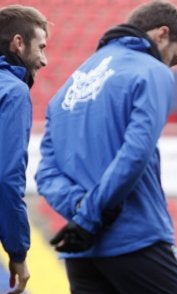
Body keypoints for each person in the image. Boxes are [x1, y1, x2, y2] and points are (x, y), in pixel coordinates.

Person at [34, 1, 177, 293]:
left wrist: (80, 210)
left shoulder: (67, 89)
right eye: (172, 59)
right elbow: (135, 153)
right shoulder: (152, 71)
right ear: (162, 34)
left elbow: (46, 174)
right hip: (135, 239)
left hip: (82, 251)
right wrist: (90, 215)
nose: (169, 67)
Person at [0, 5, 48, 294]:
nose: (43, 60)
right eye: (40, 47)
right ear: (18, 43)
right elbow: (6, 177)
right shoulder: (12, 91)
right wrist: (17, 253)